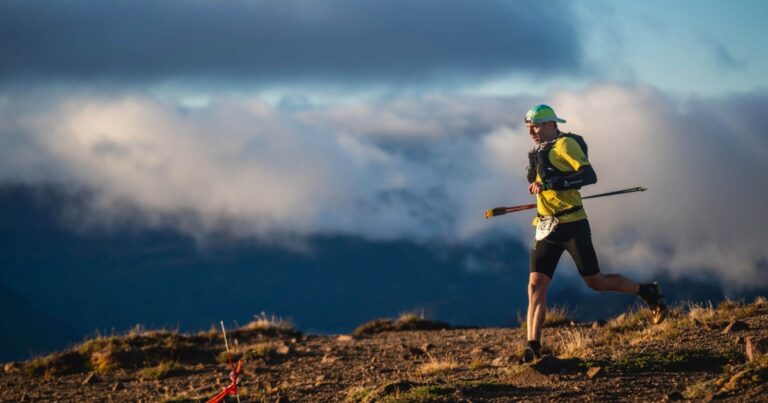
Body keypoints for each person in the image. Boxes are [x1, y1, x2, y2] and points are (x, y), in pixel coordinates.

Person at [521, 104, 667, 363]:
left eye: (536, 126)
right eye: (529, 127)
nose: (531, 131)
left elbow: (589, 175)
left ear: (551, 125)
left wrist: (551, 184)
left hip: (572, 224)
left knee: (596, 282)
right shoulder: (540, 151)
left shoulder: (565, 145)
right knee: (535, 287)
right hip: (546, 226)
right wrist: (541, 187)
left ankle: (647, 292)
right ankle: (533, 348)